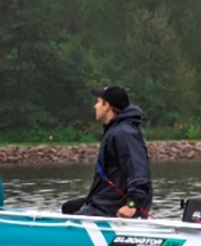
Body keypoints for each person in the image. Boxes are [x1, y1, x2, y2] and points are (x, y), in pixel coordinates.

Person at [61, 85, 153, 218]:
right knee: (69, 207)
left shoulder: (123, 133)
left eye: (98, 102)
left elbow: (138, 171)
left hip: (115, 206)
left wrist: (132, 205)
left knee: (73, 216)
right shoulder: (115, 130)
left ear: (107, 106)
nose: (95, 106)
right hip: (106, 201)